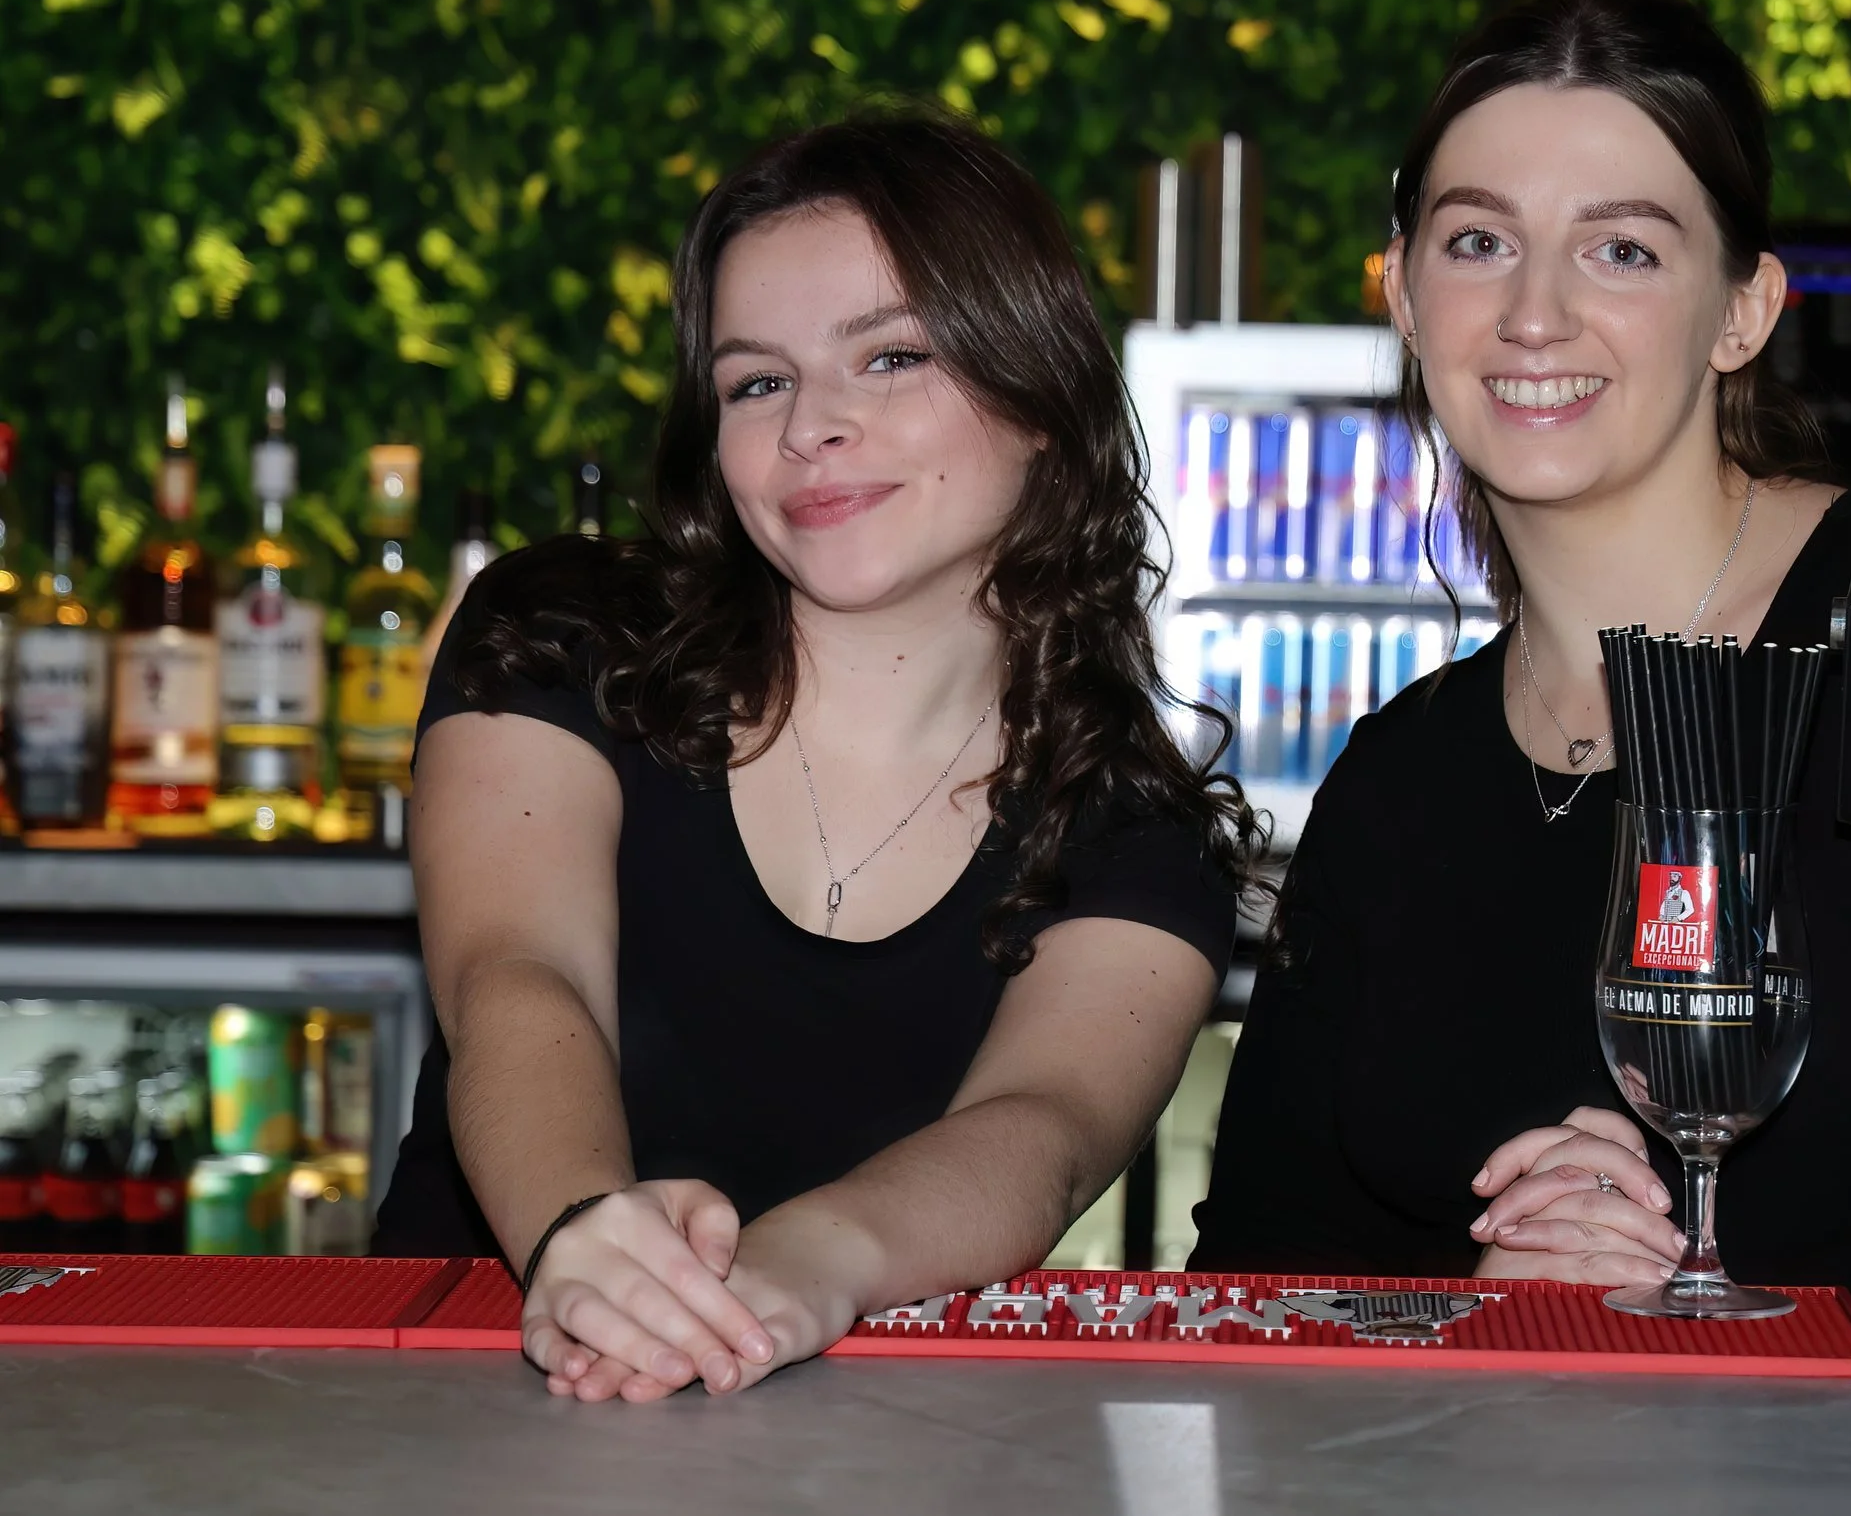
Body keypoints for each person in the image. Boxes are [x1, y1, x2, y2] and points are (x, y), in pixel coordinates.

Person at [1192, 0, 1851, 1307]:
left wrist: (1692, 1294)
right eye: (1478, 241)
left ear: (1744, 310)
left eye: (1621, 250)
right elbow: (1259, 1279)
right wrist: (1488, 1294)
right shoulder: (1401, 781)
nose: (1534, 313)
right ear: (1405, 294)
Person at [371, 113, 1259, 1401]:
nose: (811, 429)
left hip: (869, 1441)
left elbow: (1046, 1127)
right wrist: (583, 1233)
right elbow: (517, 971)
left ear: (1040, 401)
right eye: (757, 383)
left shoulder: (1133, 829)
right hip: (461, 1392)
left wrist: (795, 1272)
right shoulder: (566, 636)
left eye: (890, 357)